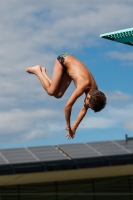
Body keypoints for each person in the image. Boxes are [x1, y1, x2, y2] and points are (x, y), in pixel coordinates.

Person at [26, 53, 107, 139]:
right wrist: (68, 125)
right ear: (88, 97)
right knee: (51, 91)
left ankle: (43, 73)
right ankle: (37, 70)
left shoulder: (94, 92)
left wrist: (74, 127)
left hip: (70, 67)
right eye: (89, 105)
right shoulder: (83, 86)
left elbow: (84, 110)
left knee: (58, 95)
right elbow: (68, 106)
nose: (87, 106)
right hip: (63, 60)